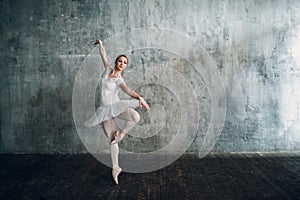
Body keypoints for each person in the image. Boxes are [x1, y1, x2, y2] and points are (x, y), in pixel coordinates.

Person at [84, 39, 150, 185]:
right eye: (120, 61)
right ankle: (116, 168)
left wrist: (140, 98)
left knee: (135, 116)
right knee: (112, 140)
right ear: (116, 62)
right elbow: (103, 55)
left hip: (115, 105)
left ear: (125, 67)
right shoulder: (107, 69)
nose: (122, 63)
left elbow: (128, 90)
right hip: (105, 110)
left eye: (125, 62)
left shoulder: (119, 79)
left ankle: (122, 134)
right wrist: (101, 44)